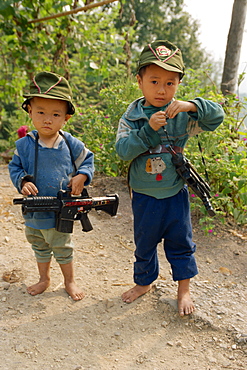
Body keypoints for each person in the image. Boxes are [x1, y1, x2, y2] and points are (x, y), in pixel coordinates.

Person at [115, 40, 224, 316]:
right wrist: (148, 131)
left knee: (181, 242)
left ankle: (183, 290)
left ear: (178, 84)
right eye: (154, 81)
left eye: (170, 83)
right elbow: (123, 150)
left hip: (175, 193)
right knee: (145, 242)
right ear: (139, 81)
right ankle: (144, 283)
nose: (162, 90)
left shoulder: (181, 114)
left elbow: (217, 118)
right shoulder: (133, 116)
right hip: (144, 195)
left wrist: (191, 105)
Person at [9, 71, 94, 301]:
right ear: (29, 111)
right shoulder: (24, 145)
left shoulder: (69, 143)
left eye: (56, 114)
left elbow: (88, 160)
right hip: (34, 210)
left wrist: (82, 176)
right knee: (39, 244)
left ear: (66, 117)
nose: (48, 119)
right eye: (41, 112)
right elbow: (14, 168)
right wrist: (23, 181)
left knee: (63, 247)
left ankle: (69, 281)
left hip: (60, 211)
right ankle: (44, 279)